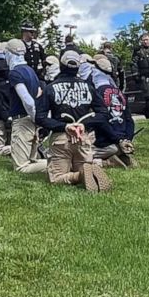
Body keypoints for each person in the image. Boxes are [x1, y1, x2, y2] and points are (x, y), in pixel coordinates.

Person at [36, 51, 112, 192]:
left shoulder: (50, 88)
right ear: (77, 68)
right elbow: (104, 113)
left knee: (56, 178)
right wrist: (84, 124)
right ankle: (90, 171)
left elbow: (40, 117)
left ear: (61, 66)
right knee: (83, 164)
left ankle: (80, 175)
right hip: (83, 138)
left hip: (61, 138)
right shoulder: (89, 87)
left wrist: (65, 126)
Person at [4, 39, 48, 174]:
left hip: (23, 120)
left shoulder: (15, 73)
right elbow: (38, 94)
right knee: (32, 160)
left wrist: (35, 117)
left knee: (21, 167)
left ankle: (61, 162)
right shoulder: (31, 71)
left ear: (8, 53)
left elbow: (27, 100)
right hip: (32, 120)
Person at [90, 57, 137, 169]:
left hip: (106, 143)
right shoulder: (119, 93)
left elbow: (101, 123)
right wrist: (127, 140)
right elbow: (129, 120)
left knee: (76, 156)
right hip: (122, 143)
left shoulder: (96, 93)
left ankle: (106, 163)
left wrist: (118, 140)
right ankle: (122, 156)